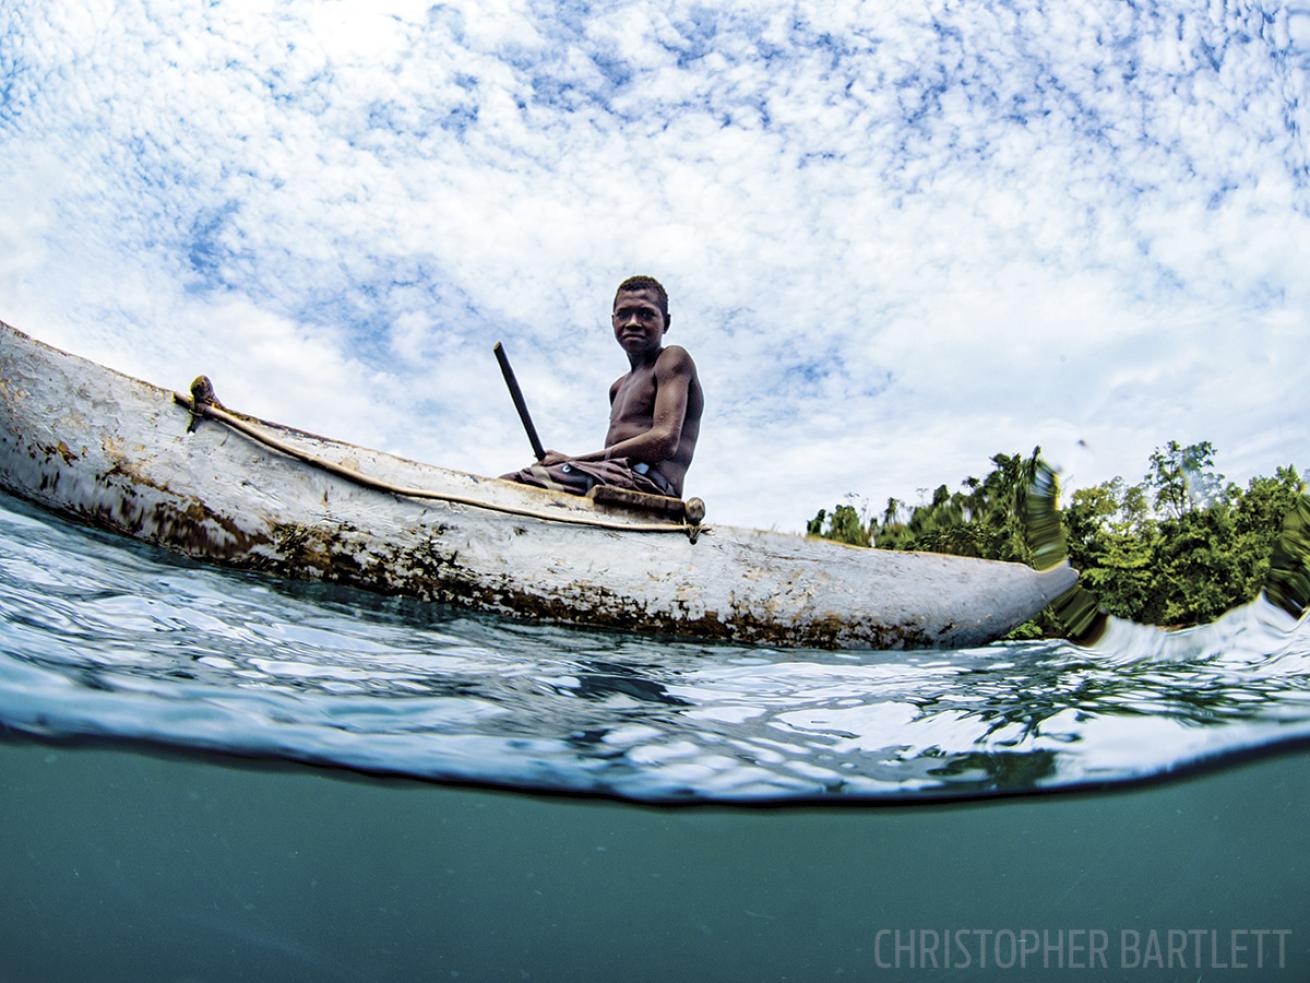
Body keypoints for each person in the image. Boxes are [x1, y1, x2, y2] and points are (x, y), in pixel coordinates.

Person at [502, 275, 703, 499]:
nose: (633, 322)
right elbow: (612, 459)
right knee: (517, 484)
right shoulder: (618, 388)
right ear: (613, 320)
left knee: (514, 486)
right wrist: (572, 464)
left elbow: (664, 441)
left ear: (666, 322)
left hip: (648, 484)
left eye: (646, 314)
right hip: (611, 477)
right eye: (624, 314)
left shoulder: (672, 359)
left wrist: (573, 461)